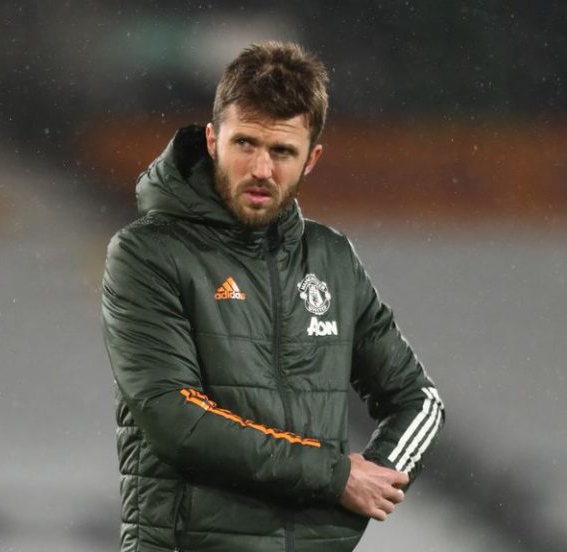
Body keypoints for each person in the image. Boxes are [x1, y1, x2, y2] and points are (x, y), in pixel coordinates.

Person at [102, 41, 444, 552]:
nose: (261, 168)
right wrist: (335, 477)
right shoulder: (148, 253)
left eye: (282, 151)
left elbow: (419, 400)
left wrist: (375, 478)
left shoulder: (331, 259)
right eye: (245, 143)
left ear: (311, 159)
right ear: (213, 140)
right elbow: (176, 419)